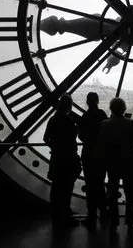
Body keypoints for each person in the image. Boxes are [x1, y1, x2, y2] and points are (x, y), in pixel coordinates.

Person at [98, 97, 133, 235]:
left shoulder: (105, 124)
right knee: (130, 194)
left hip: (112, 162)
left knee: (113, 193)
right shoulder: (131, 123)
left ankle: (114, 221)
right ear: (124, 108)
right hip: (128, 162)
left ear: (111, 108)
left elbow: (102, 144)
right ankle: (130, 222)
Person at [43, 94, 81, 227]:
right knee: (67, 188)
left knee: (57, 188)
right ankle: (65, 213)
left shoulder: (53, 120)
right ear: (69, 105)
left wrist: (55, 148)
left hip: (58, 158)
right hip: (69, 158)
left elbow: (46, 138)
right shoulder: (69, 121)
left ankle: (57, 214)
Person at [77, 92, 109, 226]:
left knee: (90, 186)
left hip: (88, 155)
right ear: (97, 101)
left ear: (87, 101)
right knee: (100, 185)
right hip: (101, 155)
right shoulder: (102, 115)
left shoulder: (85, 117)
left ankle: (92, 215)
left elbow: (81, 136)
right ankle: (103, 212)